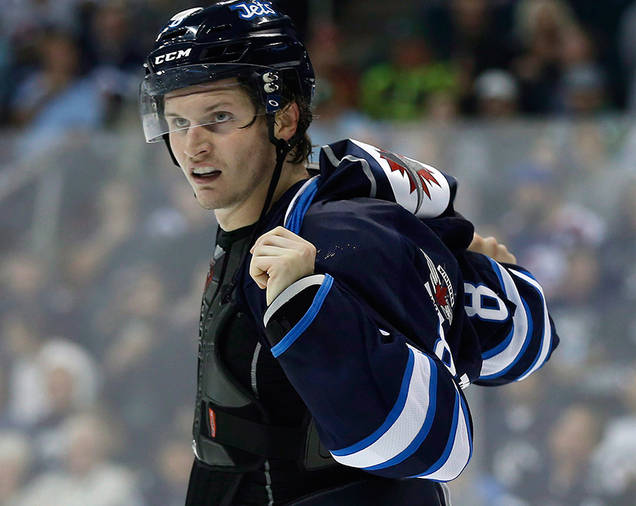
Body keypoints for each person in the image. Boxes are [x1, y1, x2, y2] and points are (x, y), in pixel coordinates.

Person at [139, 2, 560, 505]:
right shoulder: (269, 221)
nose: (193, 146)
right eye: (179, 121)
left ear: (286, 118)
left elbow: (438, 445)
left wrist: (307, 309)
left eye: (219, 117)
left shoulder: (338, 235)